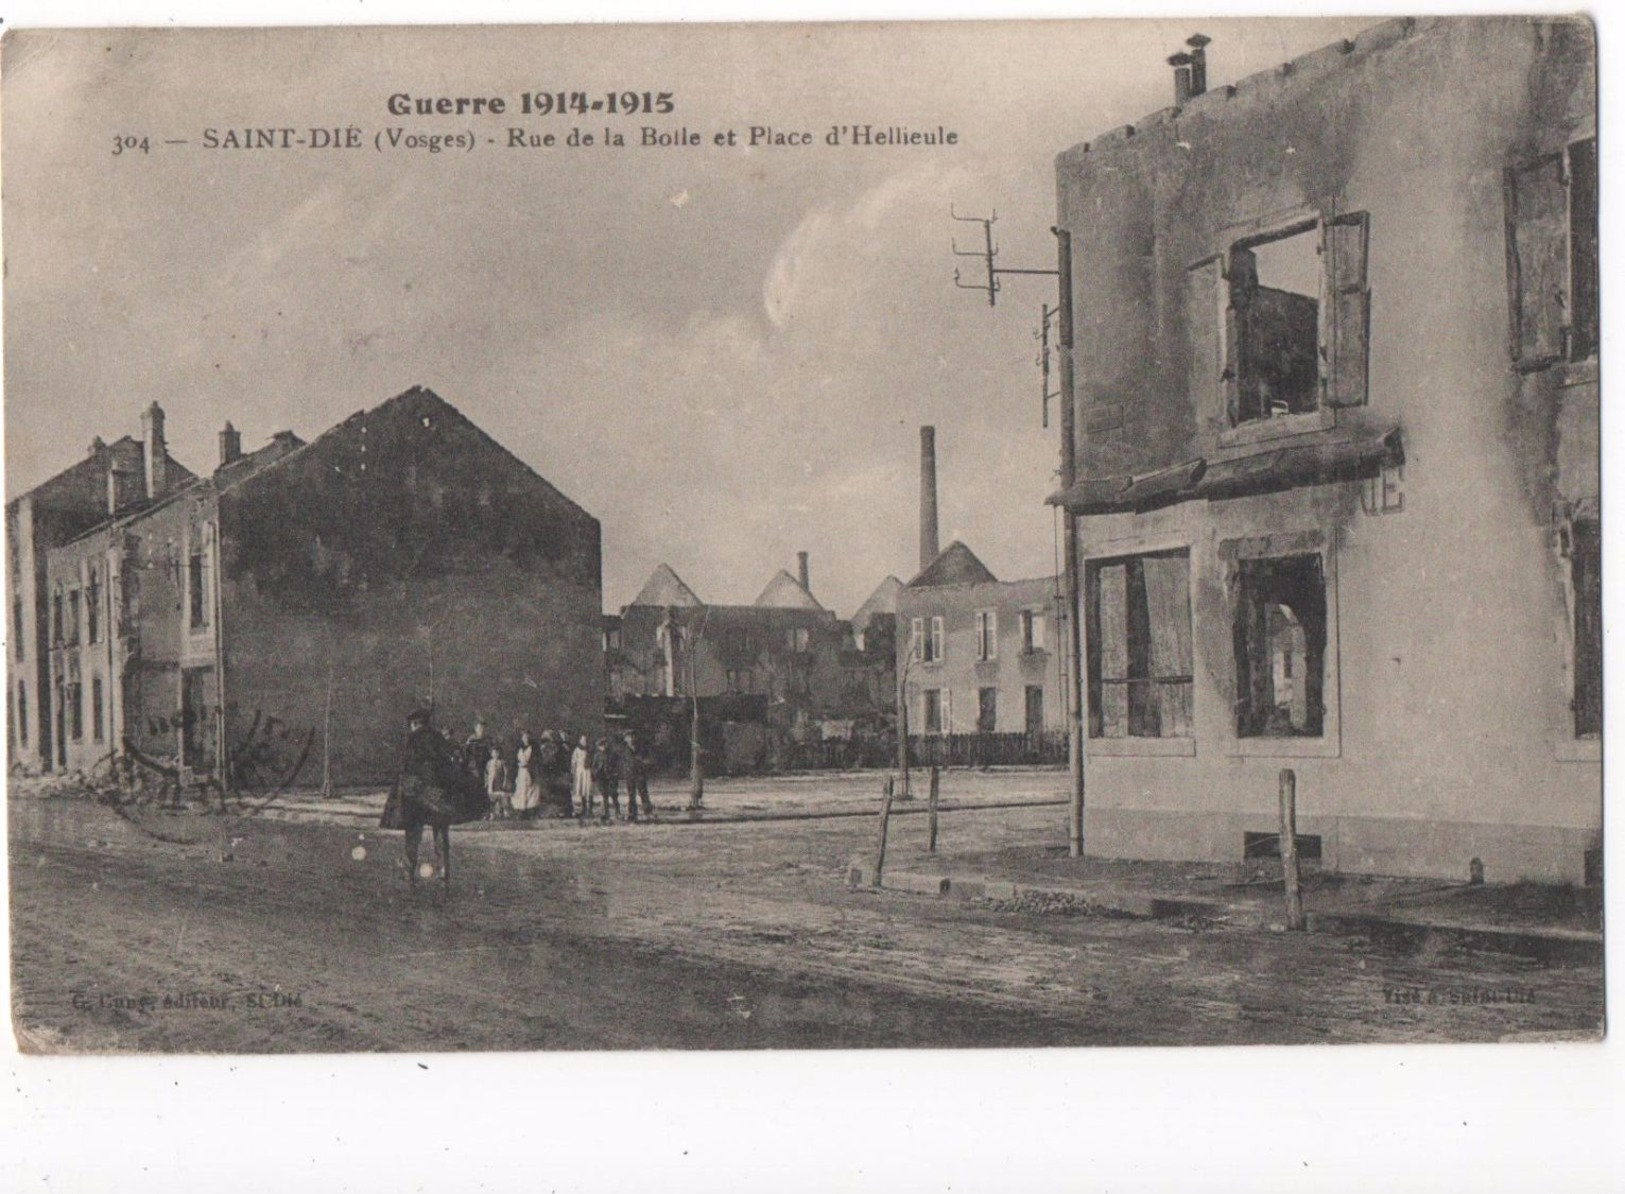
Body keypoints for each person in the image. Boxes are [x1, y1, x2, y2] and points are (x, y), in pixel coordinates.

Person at [379, 708, 489, 884]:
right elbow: (451, 761)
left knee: (413, 833)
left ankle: (409, 871)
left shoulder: (411, 739)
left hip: (416, 794)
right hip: (438, 794)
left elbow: (404, 765)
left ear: (415, 723)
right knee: (440, 832)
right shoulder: (438, 738)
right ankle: (444, 870)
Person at [620, 731, 654, 822]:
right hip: (630, 775)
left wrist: (644, 764)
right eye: (628, 737)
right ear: (625, 739)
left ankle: (648, 813)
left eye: (632, 737)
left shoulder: (641, 748)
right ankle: (632, 813)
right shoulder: (624, 750)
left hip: (640, 774)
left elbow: (648, 759)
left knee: (643, 793)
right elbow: (622, 763)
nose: (631, 739)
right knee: (631, 795)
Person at [513, 730, 543, 818]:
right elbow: (514, 761)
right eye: (524, 737)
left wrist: (534, 771)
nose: (525, 739)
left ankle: (531, 810)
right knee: (521, 790)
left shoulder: (534, 748)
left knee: (532, 790)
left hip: (530, 771)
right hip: (521, 771)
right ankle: (522, 810)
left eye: (527, 737)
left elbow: (537, 760)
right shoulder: (518, 748)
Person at [590, 736, 620, 823]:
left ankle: (617, 812)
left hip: (611, 777)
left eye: (604, 745)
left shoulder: (612, 754)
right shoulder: (597, 755)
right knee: (604, 796)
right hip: (601, 778)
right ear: (598, 747)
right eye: (601, 745)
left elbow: (617, 765)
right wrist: (595, 773)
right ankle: (606, 813)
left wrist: (615, 774)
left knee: (614, 795)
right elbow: (594, 767)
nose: (603, 747)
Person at [485, 743, 512, 820]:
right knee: (491, 798)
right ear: (491, 754)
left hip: (499, 782)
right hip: (491, 783)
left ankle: (505, 813)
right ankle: (492, 814)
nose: (495, 754)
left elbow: (506, 773)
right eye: (494, 753)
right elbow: (486, 773)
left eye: (497, 752)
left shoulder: (502, 762)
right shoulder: (489, 763)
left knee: (502, 797)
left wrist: (505, 782)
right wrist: (487, 783)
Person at [571, 734, 594, 820]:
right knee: (582, 790)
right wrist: (573, 771)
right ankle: (584, 808)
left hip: (587, 771)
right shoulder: (577, 750)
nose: (584, 742)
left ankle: (590, 810)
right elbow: (573, 761)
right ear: (580, 741)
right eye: (583, 740)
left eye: (586, 740)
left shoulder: (589, 750)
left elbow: (592, 760)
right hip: (580, 771)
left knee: (588, 790)